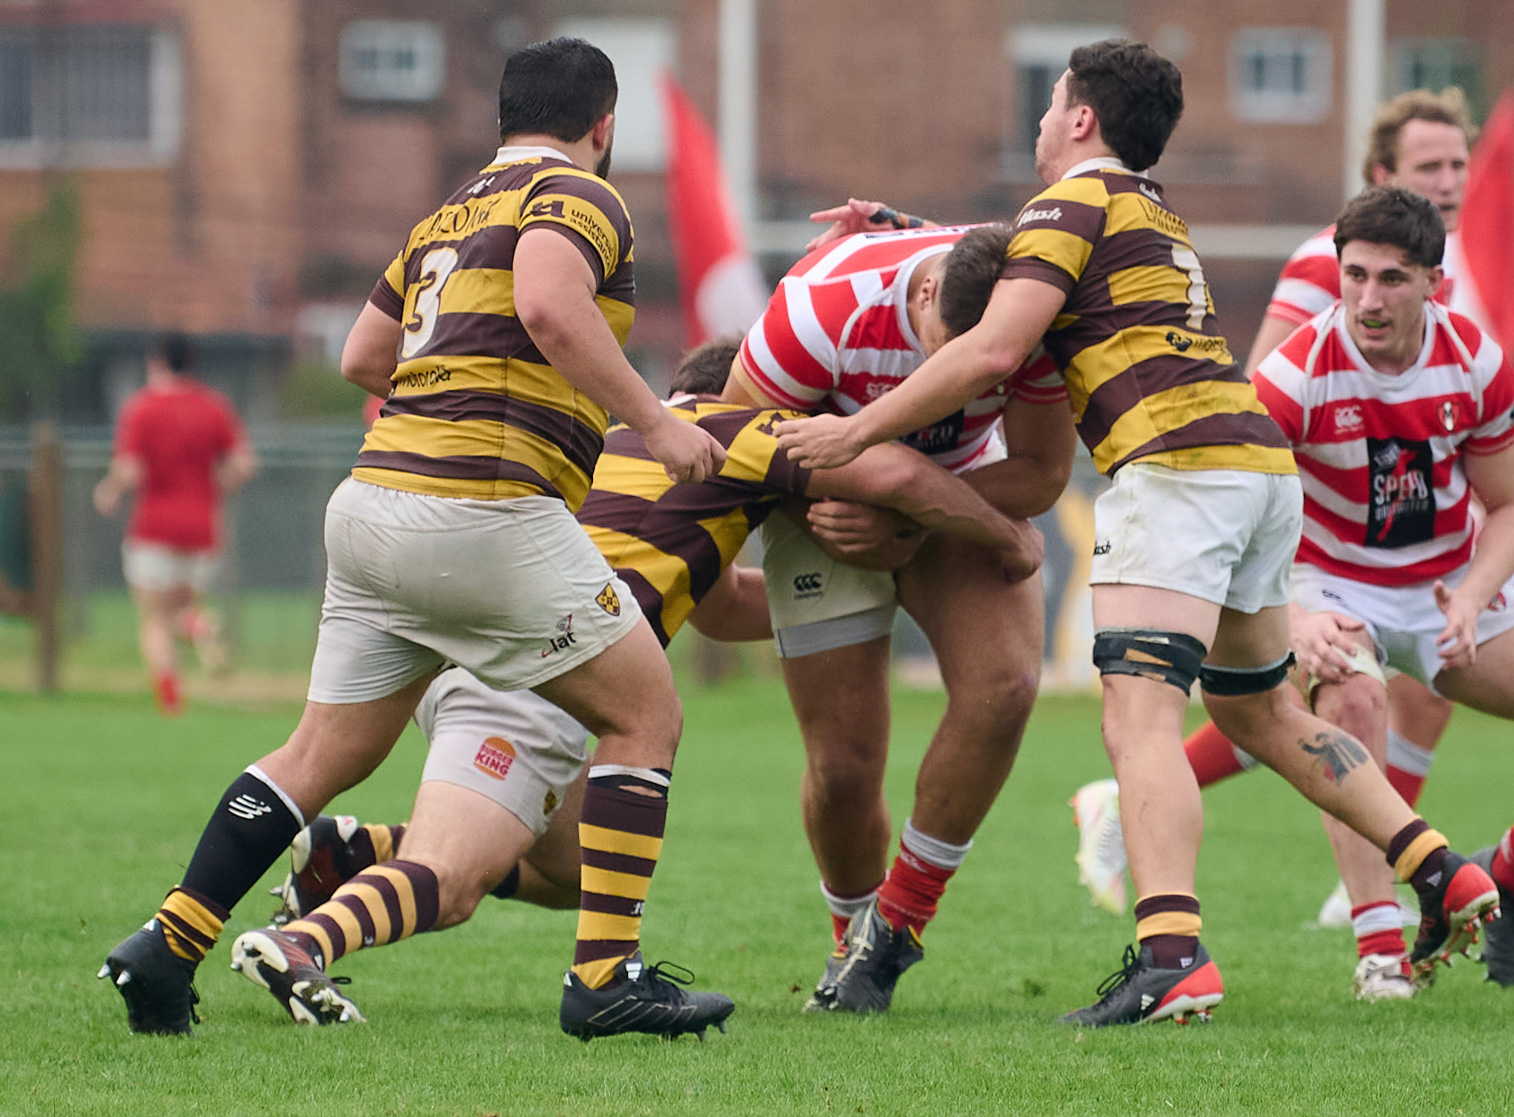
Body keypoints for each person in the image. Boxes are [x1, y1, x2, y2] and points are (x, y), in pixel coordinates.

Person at [773, 39, 1498, 1026]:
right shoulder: (1148, 207)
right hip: (1253, 468)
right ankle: (1441, 869)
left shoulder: (1070, 203)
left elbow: (993, 339)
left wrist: (854, 427)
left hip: (1178, 476)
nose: (1037, 122)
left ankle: (1171, 954)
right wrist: (905, 229)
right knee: (1264, 716)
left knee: (1139, 722)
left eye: (1048, 103)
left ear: (1080, 120)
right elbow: (1011, 269)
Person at [99, 38, 731, 1041]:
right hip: (487, 509)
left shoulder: (446, 212)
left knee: (316, 752)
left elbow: (361, 353)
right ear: (602, 124)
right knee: (646, 715)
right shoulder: (580, 192)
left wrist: (447, 396)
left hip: (373, 508)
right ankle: (607, 977)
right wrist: (655, 422)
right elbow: (548, 303)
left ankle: (168, 944)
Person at [231, 340, 1040, 1026]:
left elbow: (719, 608)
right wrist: (999, 533)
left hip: (485, 652)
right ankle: (308, 943)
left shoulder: (624, 438)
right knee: (453, 880)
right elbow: (895, 475)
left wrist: (850, 612)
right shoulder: (735, 429)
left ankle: (355, 850)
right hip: (540, 671)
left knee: (579, 869)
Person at [1150, 87, 1514, 945]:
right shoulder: (1322, 269)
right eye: (1429, 167)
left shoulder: (1451, 269)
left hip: (1426, 551)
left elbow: (1459, 410)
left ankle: (1400, 869)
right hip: (1326, 551)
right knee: (1330, 698)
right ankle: (1381, 892)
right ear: (1382, 178)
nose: (1450, 180)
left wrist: (1498, 509)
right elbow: (1265, 407)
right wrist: (1294, 589)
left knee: (1403, 699)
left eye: (1457, 165)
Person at [1252, 186, 1514, 993]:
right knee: (1351, 700)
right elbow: (1239, 522)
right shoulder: (1292, 377)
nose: (1369, 299)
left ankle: (1510, 874)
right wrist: (1294, 613)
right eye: (1355, 275)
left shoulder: (1474, 357)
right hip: (1332, 584)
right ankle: (1380, 954)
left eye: (1393, 279)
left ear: (1434, 283)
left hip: (1445, 587)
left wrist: (1473, 596)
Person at [720, 223, 1075, 1013]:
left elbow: (1045, 474)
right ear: (922, 295)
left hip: (958, 496)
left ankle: (893, 932)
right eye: (946, 353)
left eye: (979, 371)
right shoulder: (817, 310)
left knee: (1009, 685)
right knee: (844, 769)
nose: (956, 382)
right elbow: (738, 448)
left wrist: (916, 512)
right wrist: (879, 497)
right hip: (821, 502)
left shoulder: (1032, 321)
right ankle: (850, 938)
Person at [92, 334, 257, 713]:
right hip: (202, 527)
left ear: (157, 361)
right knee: (181, 610)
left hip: (153, 527)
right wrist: (218, 483)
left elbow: (130, 470)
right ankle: (198, 626)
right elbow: (245, 464)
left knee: (153, 619)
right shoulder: (214, 406)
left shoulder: (142, 408)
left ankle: (169, 699)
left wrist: (109, 491)